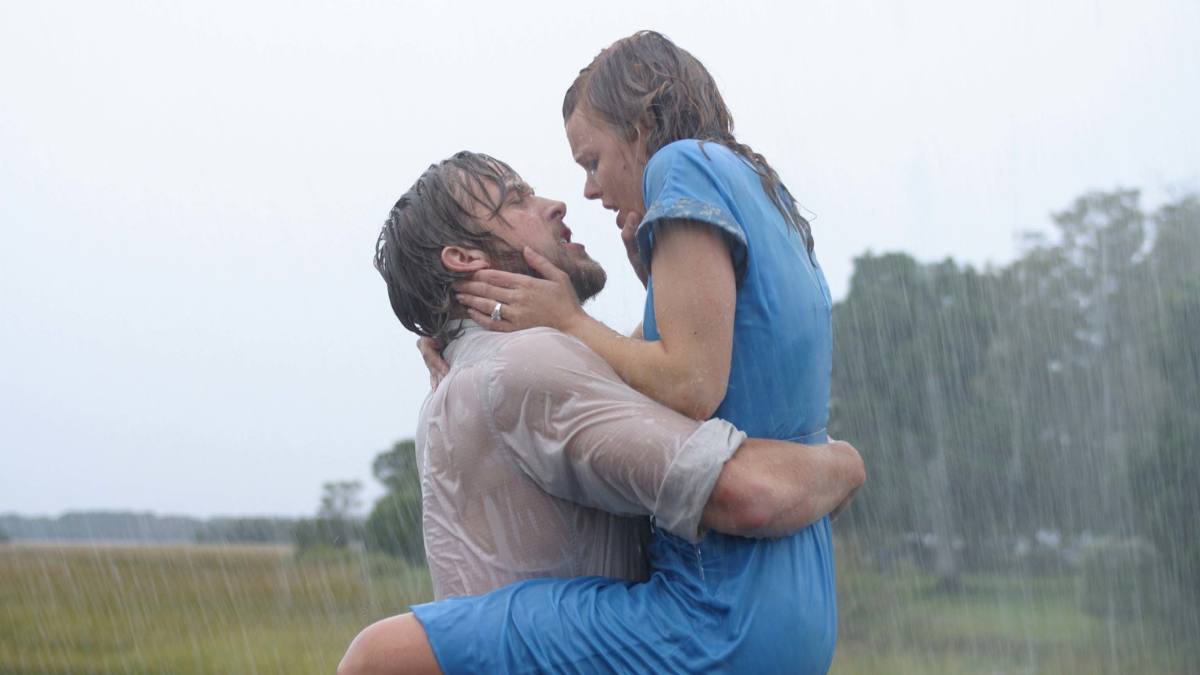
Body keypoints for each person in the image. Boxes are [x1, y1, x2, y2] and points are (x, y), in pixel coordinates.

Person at [339, 150, 863, 675]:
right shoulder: (523, 367)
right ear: (465, 259)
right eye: (516, 200)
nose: (557, 204)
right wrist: (842, 462)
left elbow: (608, 387)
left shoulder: (464, 380)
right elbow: (748, 496)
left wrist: (669, 301)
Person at [447, 30, 843, 673]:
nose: (589, 192)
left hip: (719, 605)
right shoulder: (760, 187)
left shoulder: (679, 165)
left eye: (592, 161)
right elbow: (747, 364)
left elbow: (691, 384)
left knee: (401, 651)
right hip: (802, 591)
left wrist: (569, 322)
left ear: (643, 126)